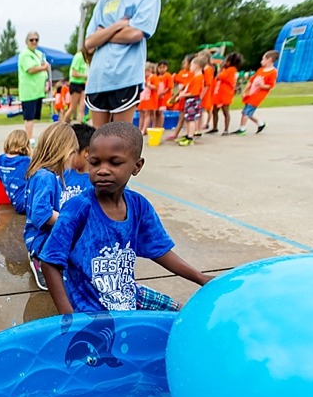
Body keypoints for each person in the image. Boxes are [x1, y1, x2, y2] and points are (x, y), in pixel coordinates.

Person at [39, 122, 213, 314]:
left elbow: (159, 250)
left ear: (136, 166)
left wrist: (200, 277)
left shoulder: (139, 206)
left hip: (127, 295)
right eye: (95, 163)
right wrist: (68, 316)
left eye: (114, 163)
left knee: (182, 314)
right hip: (90, 310)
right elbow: (49, 262)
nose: (102, 170)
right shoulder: (79, 208)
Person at [83, 0, 161, 128]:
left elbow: (136, 33)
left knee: (120, 141)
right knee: (98, 141)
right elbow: (89, 42)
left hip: (124, 76)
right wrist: (118, 26)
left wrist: (103, 34)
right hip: (98, 79)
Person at [24, 122, 78, 291]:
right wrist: (69, 221)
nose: (72, 160)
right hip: (40, 237)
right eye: (71, 154)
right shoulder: (45, 176)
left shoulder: (46, 174)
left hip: (44, 235)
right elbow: (41, 214)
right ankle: (40, 261)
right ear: (62, 152)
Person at [0, 129, 32, 214]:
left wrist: (3, 174)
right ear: (26, 145)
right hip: (27, 203)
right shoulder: (26, 161)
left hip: (16, 203)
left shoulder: (0, 160)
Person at [233, 51, 279, 135]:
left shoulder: (273, 72)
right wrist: (244, 91)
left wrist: (262, 86)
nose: (261, 61)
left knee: (246, 112)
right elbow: (251, 81)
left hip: (258, 95)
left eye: (263, 59)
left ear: (269, 59)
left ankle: (242, 129)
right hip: (252, 93)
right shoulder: (260, 70)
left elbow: (270, 85)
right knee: (248, 112)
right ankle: (261, 124)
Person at [18, 32, 50, 146]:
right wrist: (44, 67)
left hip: (38, 90)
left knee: (34, 116)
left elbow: (45, 68)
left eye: (36, 39)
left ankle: (31, 136)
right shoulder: (25, 54)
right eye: (31, 40)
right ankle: (29, 138)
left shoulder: (39, 53)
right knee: (29, 117)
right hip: (28, 91)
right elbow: (30, 69)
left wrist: (46, 82)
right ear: (27, 41)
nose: (34, 42)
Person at [175, 54, 208, 146]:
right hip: (190, 100)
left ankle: (190, 136)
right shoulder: (195, 77)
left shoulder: (198, 78)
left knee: (191, 119)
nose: (190, 67)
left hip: (192, 100)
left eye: (192, 65)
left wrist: (183, 95)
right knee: (189, 118)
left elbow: (195, 92)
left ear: (197, 66)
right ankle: (188, 134)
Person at [208, 52, 243, 135]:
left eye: (226, 61)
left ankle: (226, 129)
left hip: (225, 94)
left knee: (225, 111)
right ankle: (215, 127)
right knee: (214, 111)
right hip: (219, 93)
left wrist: (220, 68)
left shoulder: (231, 70)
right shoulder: (228, 70)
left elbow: (219, 76)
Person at [61, 123, 96, 206]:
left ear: (87, 152)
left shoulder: (96, 182)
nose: (66, 156)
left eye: (70, 153)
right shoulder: (66, 174)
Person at [165, 54, 195, 141]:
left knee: (186, 117)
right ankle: (177, 133)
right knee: (182, 116)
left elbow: (185, 86)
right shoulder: (182, 72)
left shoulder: (191, 74)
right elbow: (180, 85)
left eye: (185, 62)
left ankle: (185, 134)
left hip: (187, 98)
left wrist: (174, 96)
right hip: (181, 98)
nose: (183, 64)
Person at [63, 47, 89, 124]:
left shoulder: (87, 57)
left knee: (82, 107)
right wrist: (86, 75)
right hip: (75, 83)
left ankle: (81, 124)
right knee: (73, 107)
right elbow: (73, 73)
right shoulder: (79, 56)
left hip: (82, 83)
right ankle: (63, 124)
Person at [137, 62, 159, 135]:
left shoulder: (154, 77)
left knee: (147, 114)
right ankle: (140, 128)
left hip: (150, 99)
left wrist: (148, 85)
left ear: (149, 70)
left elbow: (156, 87)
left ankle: (144, 129)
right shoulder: (144, 78)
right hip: (143, 98)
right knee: (141, 114)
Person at [154, 60, 172, 129]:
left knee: (161, 112)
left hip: (164, 97)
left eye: (163, 67)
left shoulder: (168, 76)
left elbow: (169, 87)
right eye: (160, 67)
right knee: (157, 112)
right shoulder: (157, 77)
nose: (161, 69)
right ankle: (156, 126)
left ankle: (160, 126)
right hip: (157, 98)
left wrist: (162, 93)